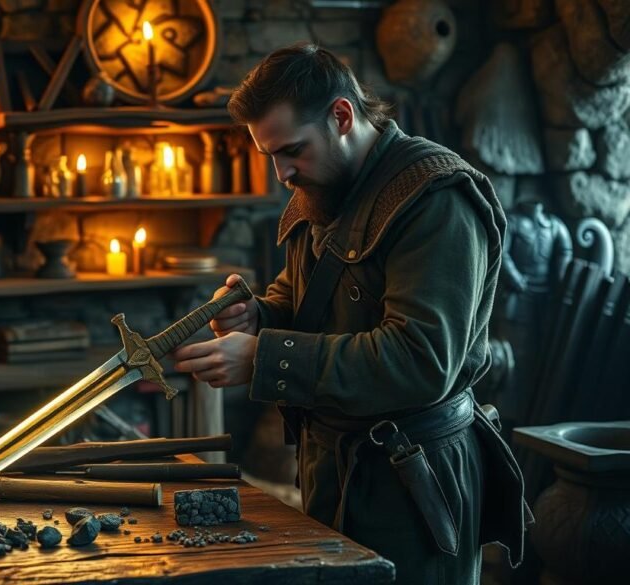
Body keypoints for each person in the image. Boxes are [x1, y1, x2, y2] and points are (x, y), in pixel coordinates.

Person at [172, 43, 528, 584]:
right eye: (271, 156)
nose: (281, 173)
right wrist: (259, 317)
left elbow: (419, 360)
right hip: (332, 470)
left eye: (292, 150)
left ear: (341, 116)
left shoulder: (435, 202)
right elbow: (304, 298)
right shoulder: (320, 188)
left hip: (413, 485)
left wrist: (265, 356)